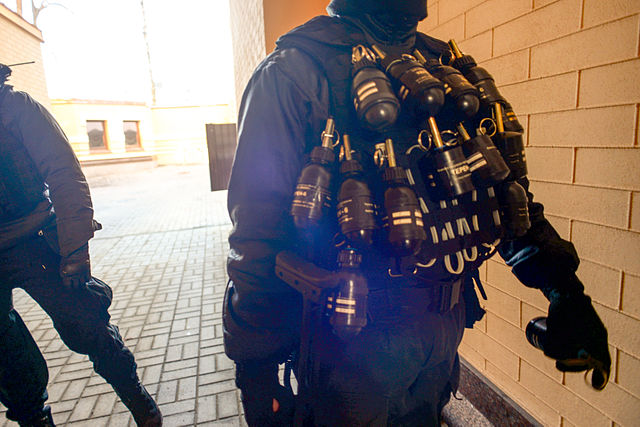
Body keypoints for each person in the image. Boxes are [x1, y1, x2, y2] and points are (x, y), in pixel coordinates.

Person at [222, 1, 611, 425]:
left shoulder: (446, 66)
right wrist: (255, 367)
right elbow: (257, 236)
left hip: (443, 327)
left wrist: (565, 290)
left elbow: (504, 197)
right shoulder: (291, 73)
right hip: (350, 343)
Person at [0, 63, 162, 427]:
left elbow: (62, 172)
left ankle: (137, 399)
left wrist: (74, 250)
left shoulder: (15, 108)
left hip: (35, 239)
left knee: (87, 324)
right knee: (7, 357)